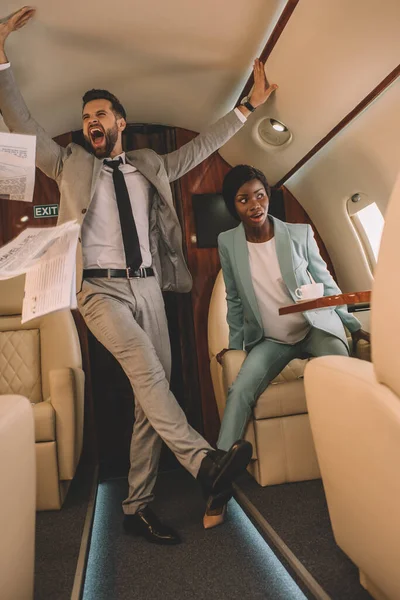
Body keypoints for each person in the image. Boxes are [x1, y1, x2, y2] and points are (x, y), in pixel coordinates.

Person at [0, 7, 279, 542]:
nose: (91, 123)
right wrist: (1, 56)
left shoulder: (152, 164)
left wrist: (246, 107)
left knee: (153, 393)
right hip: (99, 289)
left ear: (119, 122)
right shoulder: (69, 164)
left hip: (150, 284)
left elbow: (200, 148)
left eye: (100, 115)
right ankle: (205, 464)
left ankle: (137, 505)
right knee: (149, 377)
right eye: (86, 118)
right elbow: (22, 123)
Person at [203, 164, 371, 529]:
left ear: (268, 196)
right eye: (244, 199)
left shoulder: (299, 233)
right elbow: (233, 299)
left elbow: (327, 285)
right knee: (240, 390)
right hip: (271, 340)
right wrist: (234, 347)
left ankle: (360, 459)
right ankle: (217, 481)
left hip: (313, 329)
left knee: (343, 367)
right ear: (234, 206)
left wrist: (352, 326)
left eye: (259, 195)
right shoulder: (228, 243)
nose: (254, 204)